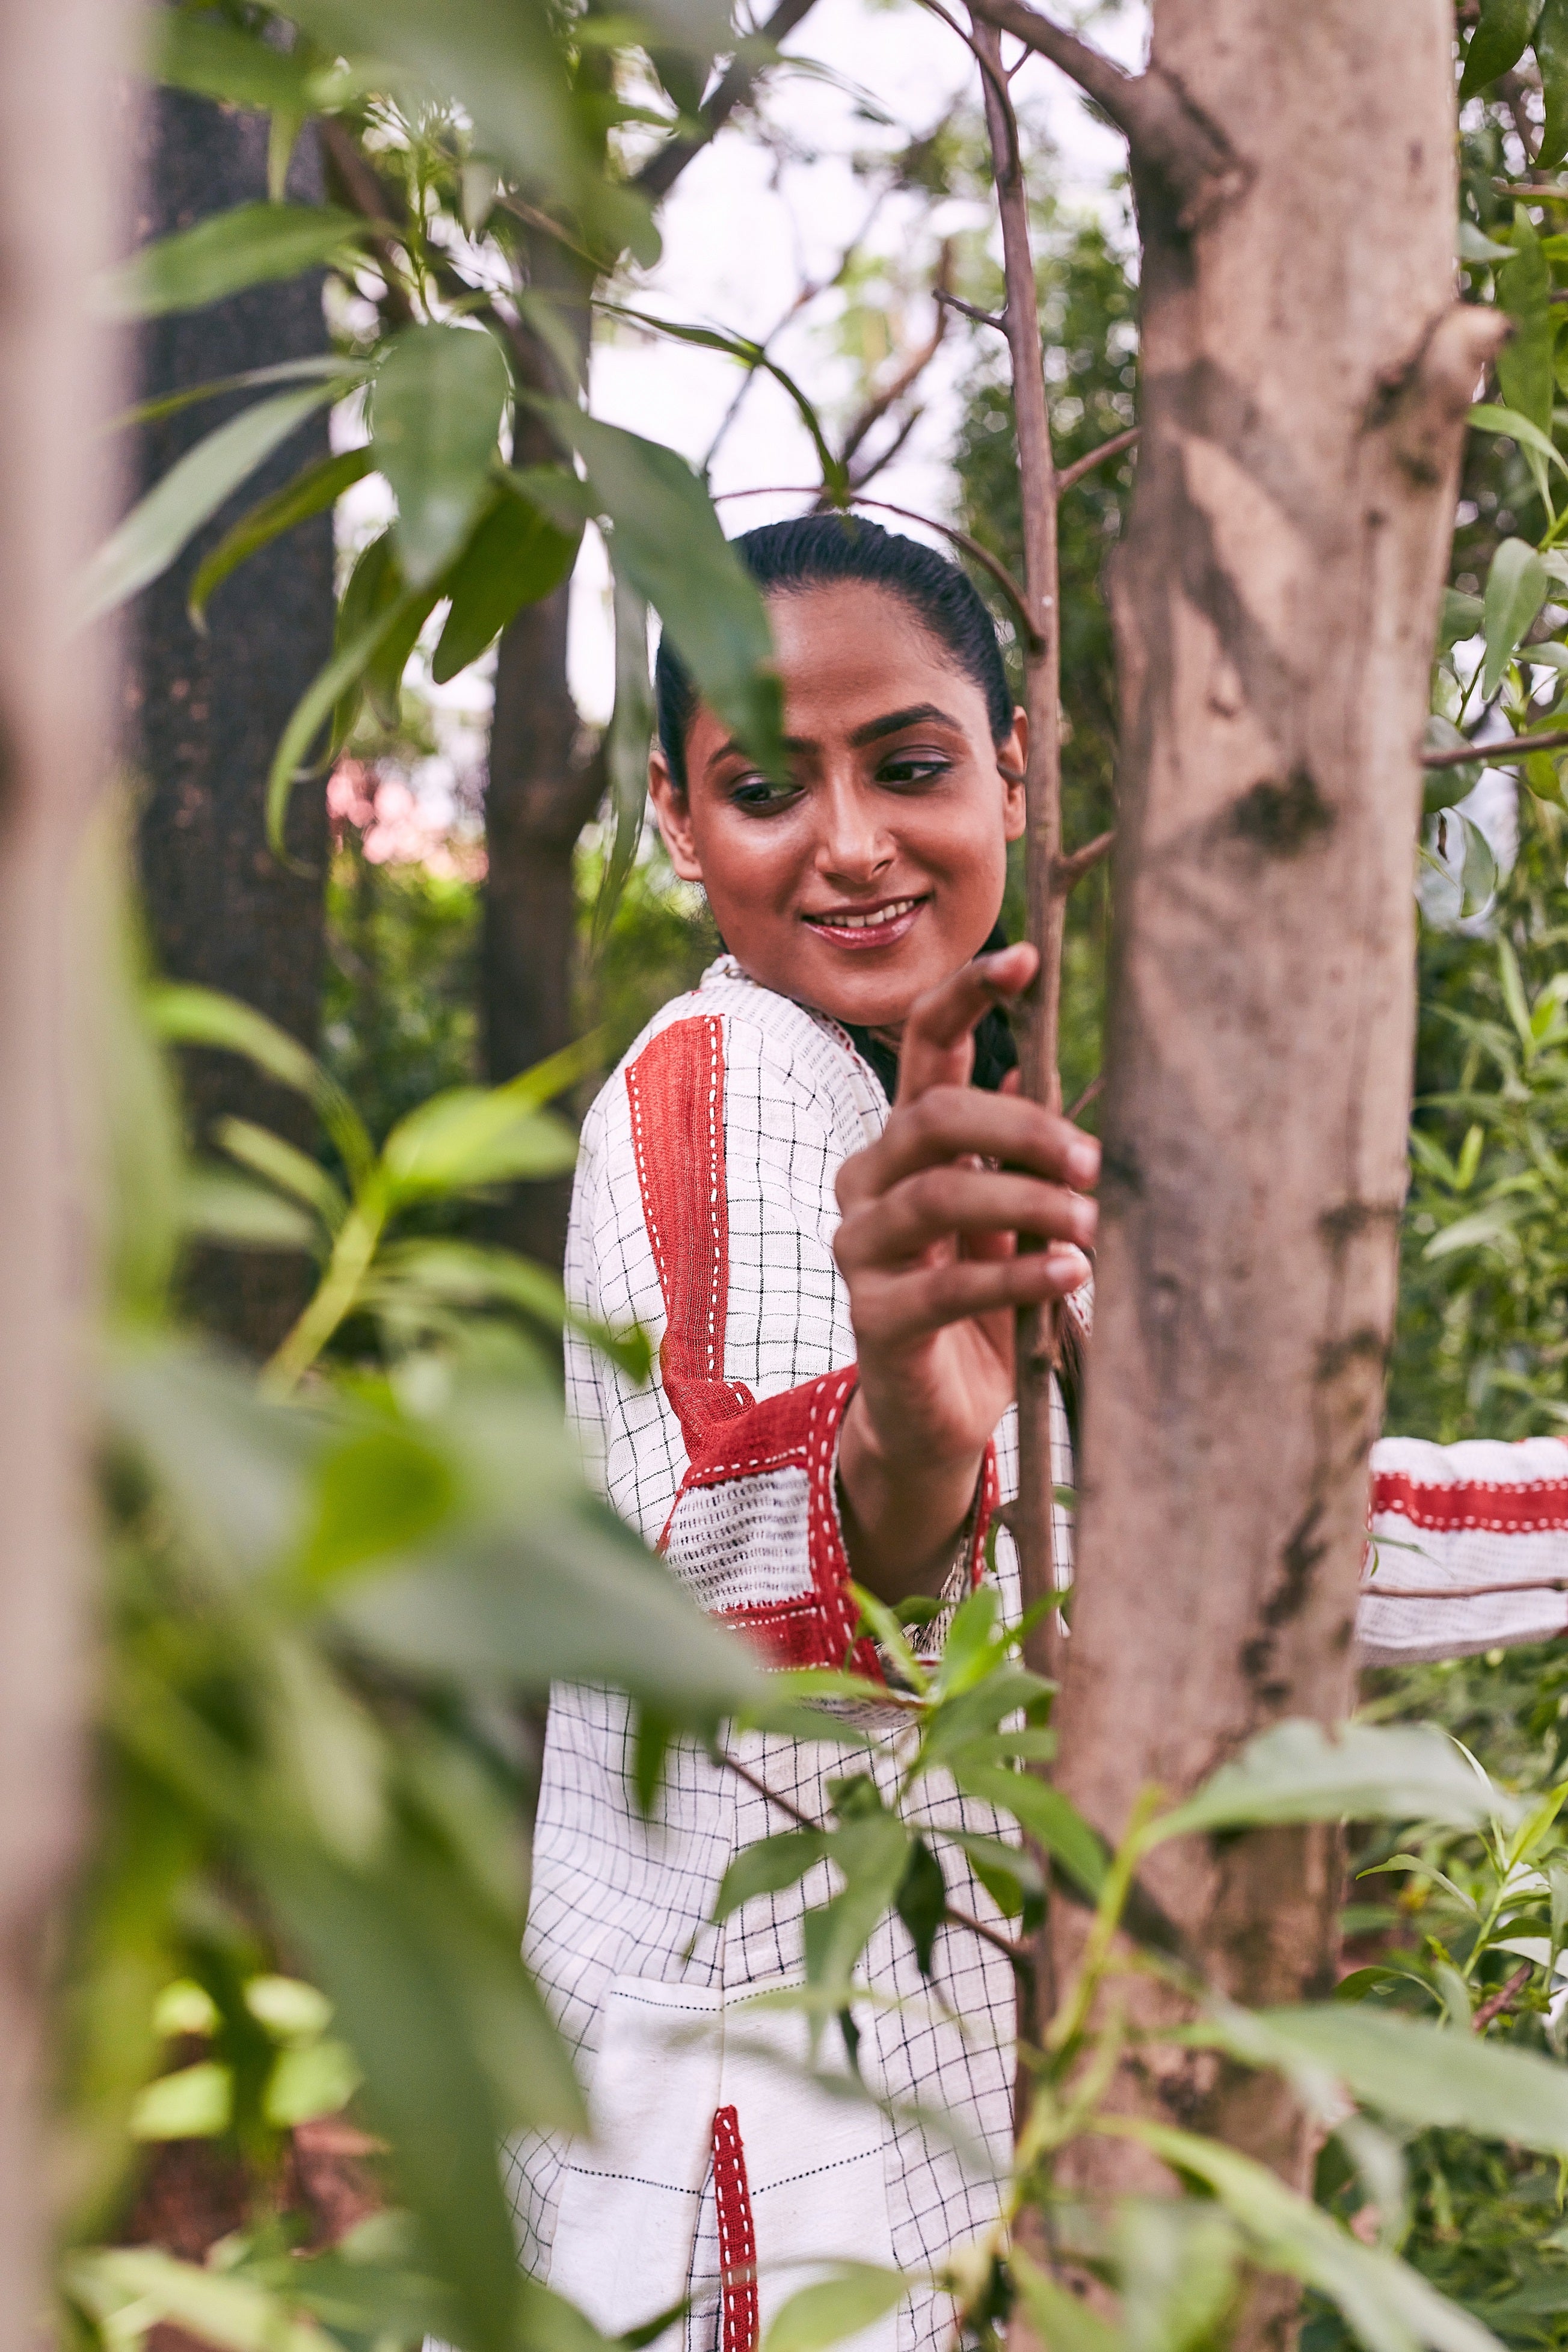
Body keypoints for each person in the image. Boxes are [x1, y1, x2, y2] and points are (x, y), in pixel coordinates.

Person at [509, 517, 1568, 2352]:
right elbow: (714, 1551)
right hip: (740, 2180)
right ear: (682, 826)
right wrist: (905, 1454)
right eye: (766, 787)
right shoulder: (720, 1074)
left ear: (1011, 769)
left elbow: (1234, 1530)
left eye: (908, 766)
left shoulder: (966, 1130)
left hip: (911, 2126)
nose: (849, 843)